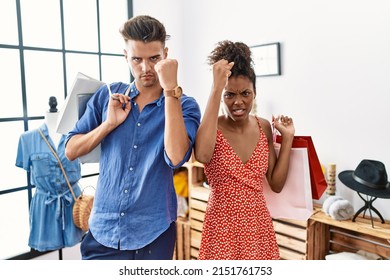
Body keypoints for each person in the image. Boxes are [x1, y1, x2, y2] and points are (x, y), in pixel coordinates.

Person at [65, 15, 201, 260]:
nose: (146, 68)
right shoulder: (106, 97)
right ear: (125, 56)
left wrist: (171, 91)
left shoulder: (186, 106)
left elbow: (176, 158)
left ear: (166, 55)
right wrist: (108, 125)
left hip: (154, 234)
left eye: (154, 58)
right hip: (102, 231)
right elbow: (71, 150)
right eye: (137, 59)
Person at [195, 40, 295, 260]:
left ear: (255, 92)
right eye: (229, 95)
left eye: (245, 94)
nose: (238, 102)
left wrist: (287, 139)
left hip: (258, 227)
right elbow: (202, 155)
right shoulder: (211, 126)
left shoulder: (264, 127)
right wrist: (216, 87)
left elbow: (276, 184)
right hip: (221, 228)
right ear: (221, 95)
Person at [16, 97, 84, 252]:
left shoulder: (76, 137)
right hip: (45, 206)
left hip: (72, 203)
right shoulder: (27, 139)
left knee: (75, 245)